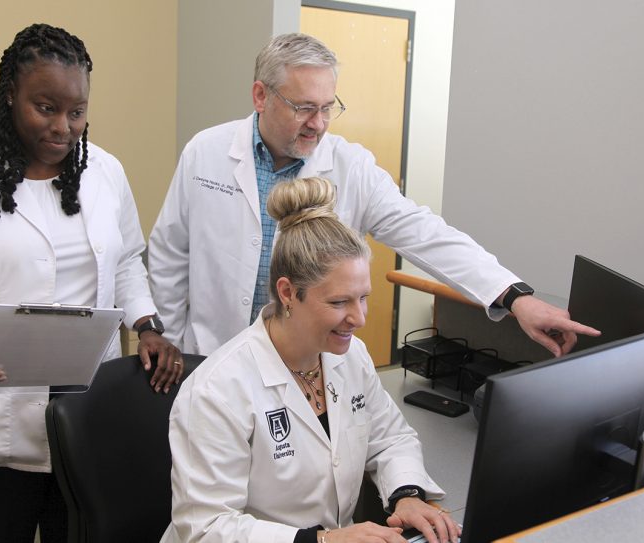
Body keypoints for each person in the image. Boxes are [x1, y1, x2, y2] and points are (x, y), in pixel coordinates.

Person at [148, 32, 599, 359]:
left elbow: (425, 234)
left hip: (302, 365)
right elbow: (170, 252)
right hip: (209, 354)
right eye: (304, 107)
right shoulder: (205, 152)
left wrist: (515, 297)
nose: (319, 123)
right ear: (261, 96)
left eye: (328, 108)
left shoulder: (351, 167)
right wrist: (167, 339)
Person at [0, 24, 181, 543]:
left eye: (76, 112)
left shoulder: (105, 172)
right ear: (9, 95)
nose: (63, 127)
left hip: (86, 406)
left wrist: (147, 325)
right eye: (45, 107)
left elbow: (126, 263)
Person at [161, 177, 460, 543]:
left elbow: (390, 438)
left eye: (362, 297)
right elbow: (205, 528)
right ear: (288, 293)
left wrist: (407, 494)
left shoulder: (351, 356)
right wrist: (317, 541)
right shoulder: (216, 391)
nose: (359, 318)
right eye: (338, 302)